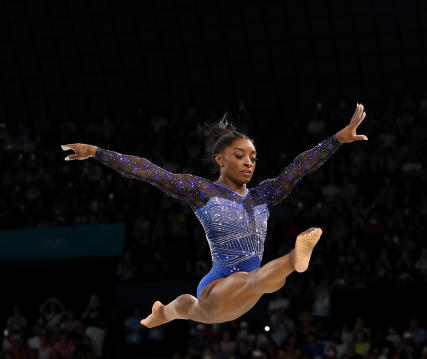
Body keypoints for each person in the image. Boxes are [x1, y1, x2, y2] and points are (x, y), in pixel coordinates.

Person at [61, 104, 368, 327]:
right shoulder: (202, 191)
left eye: (253, 157)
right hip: (217, 286)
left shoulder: (263, 195)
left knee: (240, 286)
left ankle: (164, 313)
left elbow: (299, 168)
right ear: (220, 159)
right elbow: (150, 172)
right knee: (214, 298)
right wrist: (96, 151)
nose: (249, 163)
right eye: (240, 156)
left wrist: (337, 139)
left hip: (247, 284)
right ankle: (292, 261)